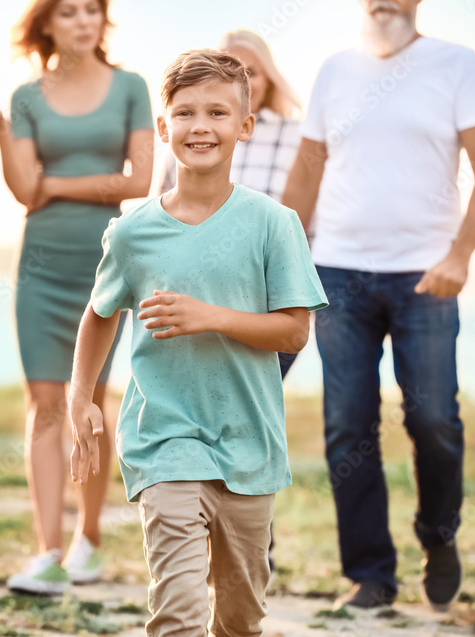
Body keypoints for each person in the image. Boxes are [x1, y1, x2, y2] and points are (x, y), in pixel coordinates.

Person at [69, 49, 327, 636]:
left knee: (239, 620)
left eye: (217, 112)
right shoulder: (132, 232)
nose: (200, 127)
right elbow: (100, 312)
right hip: (164, 439)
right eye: (184, 114)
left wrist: (212, 316)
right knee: (179, 612)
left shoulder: (274, 223)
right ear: (164, 128)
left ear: (245, 126)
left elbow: (293, 329)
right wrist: (81, 397)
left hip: (248, 445)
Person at [282, 0, 475, 612]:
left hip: (425, 276)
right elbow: (306, 172)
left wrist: (460, 255)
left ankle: (439, 537)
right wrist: (286, 261)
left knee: (433, 418)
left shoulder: (455, 64)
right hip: (337, 274)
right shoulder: (333, 70)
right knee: (347, 426)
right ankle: (371, 575)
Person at [0, 0, 154, 595]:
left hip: (105, 259)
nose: (82, 21)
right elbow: (23, 189)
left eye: (91, 10)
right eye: (68, 12)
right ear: (48, 24)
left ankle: (88, 540)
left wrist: (59, 185)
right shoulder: (25, 98)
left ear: (103, 19)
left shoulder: (131, 87)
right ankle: (46, 549)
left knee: (90, 403)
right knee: (44, 405)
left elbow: (139, 182)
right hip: (40, 262)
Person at [162, 28, 304, 378]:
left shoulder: (296, 134)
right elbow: (162, 200)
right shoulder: (191, 136)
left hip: (264, 284)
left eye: (251, 73)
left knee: (252, 386)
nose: (241, 80)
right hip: (196, 279)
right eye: (231, 69)